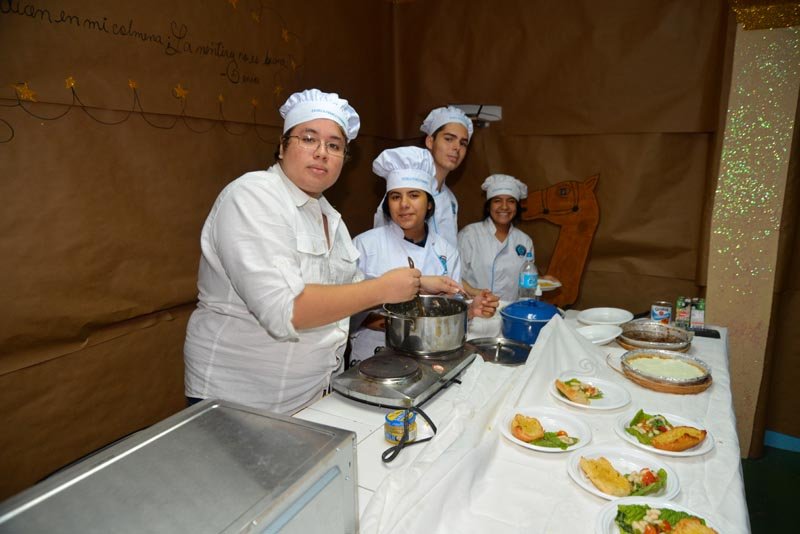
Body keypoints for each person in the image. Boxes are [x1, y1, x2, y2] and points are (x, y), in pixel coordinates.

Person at [183, 89, 457, 414]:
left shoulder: (329, 218)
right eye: (309, 138)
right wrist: (383, 289)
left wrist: (417, 284)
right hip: (243, 401)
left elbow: (348, 291)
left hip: (315, 394)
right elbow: (286, 309)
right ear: (282, 146)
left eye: (334, 145)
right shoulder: (252, 196)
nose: (322, 153)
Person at [351, 146, 498, 363]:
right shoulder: (364, 245)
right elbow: (349, 314)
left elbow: (446, 315)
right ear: (387, 203)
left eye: (414, 195)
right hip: (373, 357)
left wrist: (471, 310)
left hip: (431, 358)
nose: (404, 205)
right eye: (395, 196)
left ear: (429, 203)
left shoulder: (446, 252)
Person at [373, 106, 473, 246]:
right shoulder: (404, 191)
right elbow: (382, 247)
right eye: (449, 139)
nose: (457, 147)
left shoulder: (451, 200)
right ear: (430, 142)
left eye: (463, 143)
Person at [458, 174, 557, 302]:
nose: (504, 207)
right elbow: (454, 276)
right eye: (497, 201)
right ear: (488, 206)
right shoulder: (469, 235)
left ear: (517, 207)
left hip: (511, 310)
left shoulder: (524, 240)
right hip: (476, 310)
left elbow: (524, 278)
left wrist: (541, 280)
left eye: (511, 201)